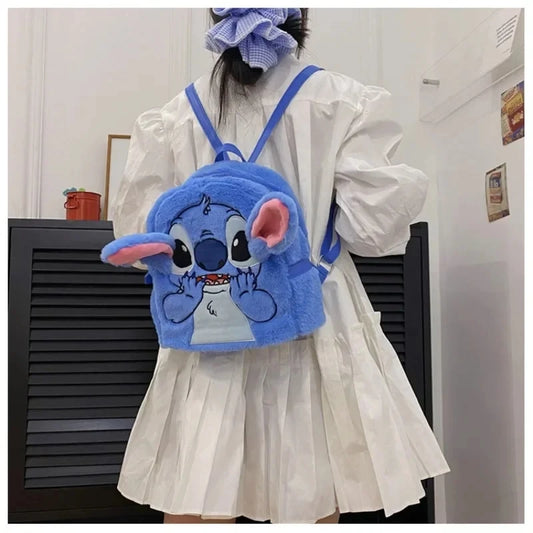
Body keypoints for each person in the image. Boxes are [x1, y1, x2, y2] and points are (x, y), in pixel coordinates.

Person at [112, 7, 450, 525]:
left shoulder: (174, 117)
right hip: (314, 319)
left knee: (199, 486)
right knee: (309, 489)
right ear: (300, 17)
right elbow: (372, 231)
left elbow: (141, 239)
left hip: (211, 322)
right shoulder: (342, 102)